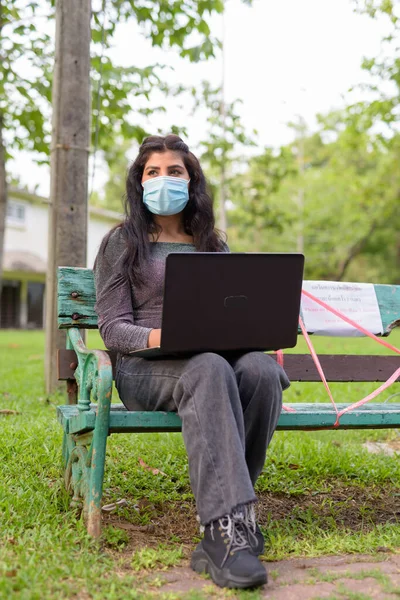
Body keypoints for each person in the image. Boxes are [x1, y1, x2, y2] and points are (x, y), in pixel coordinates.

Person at [93, 134, 290, 589]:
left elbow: (232, 313)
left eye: (175, 171)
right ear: (139, 184)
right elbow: (112, 329)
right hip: (142, 369)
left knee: (259, 370)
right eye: (152, 172)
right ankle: (223, 530)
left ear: (192, 180)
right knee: (209, 367)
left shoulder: (211, 244)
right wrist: (166, 334)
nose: (164, 179)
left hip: (209, 361)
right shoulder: (121, 242)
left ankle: (236, 518)